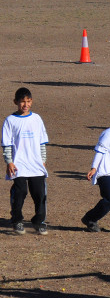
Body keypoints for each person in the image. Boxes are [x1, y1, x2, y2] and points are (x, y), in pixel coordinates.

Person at [2, 87, 49, 235]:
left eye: (28, 101)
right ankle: (17, 220)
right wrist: (9, 162)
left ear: (32, 102)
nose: (25, 105)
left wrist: (43, 160)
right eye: (22, 102)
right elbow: (7, 144)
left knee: (39, 193)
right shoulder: (10, 120)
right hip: (18, 164)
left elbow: (42, 142)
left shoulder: (37, 119)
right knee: (21, 191)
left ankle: (39, 221)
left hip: (35, 164)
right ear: (15, 102)